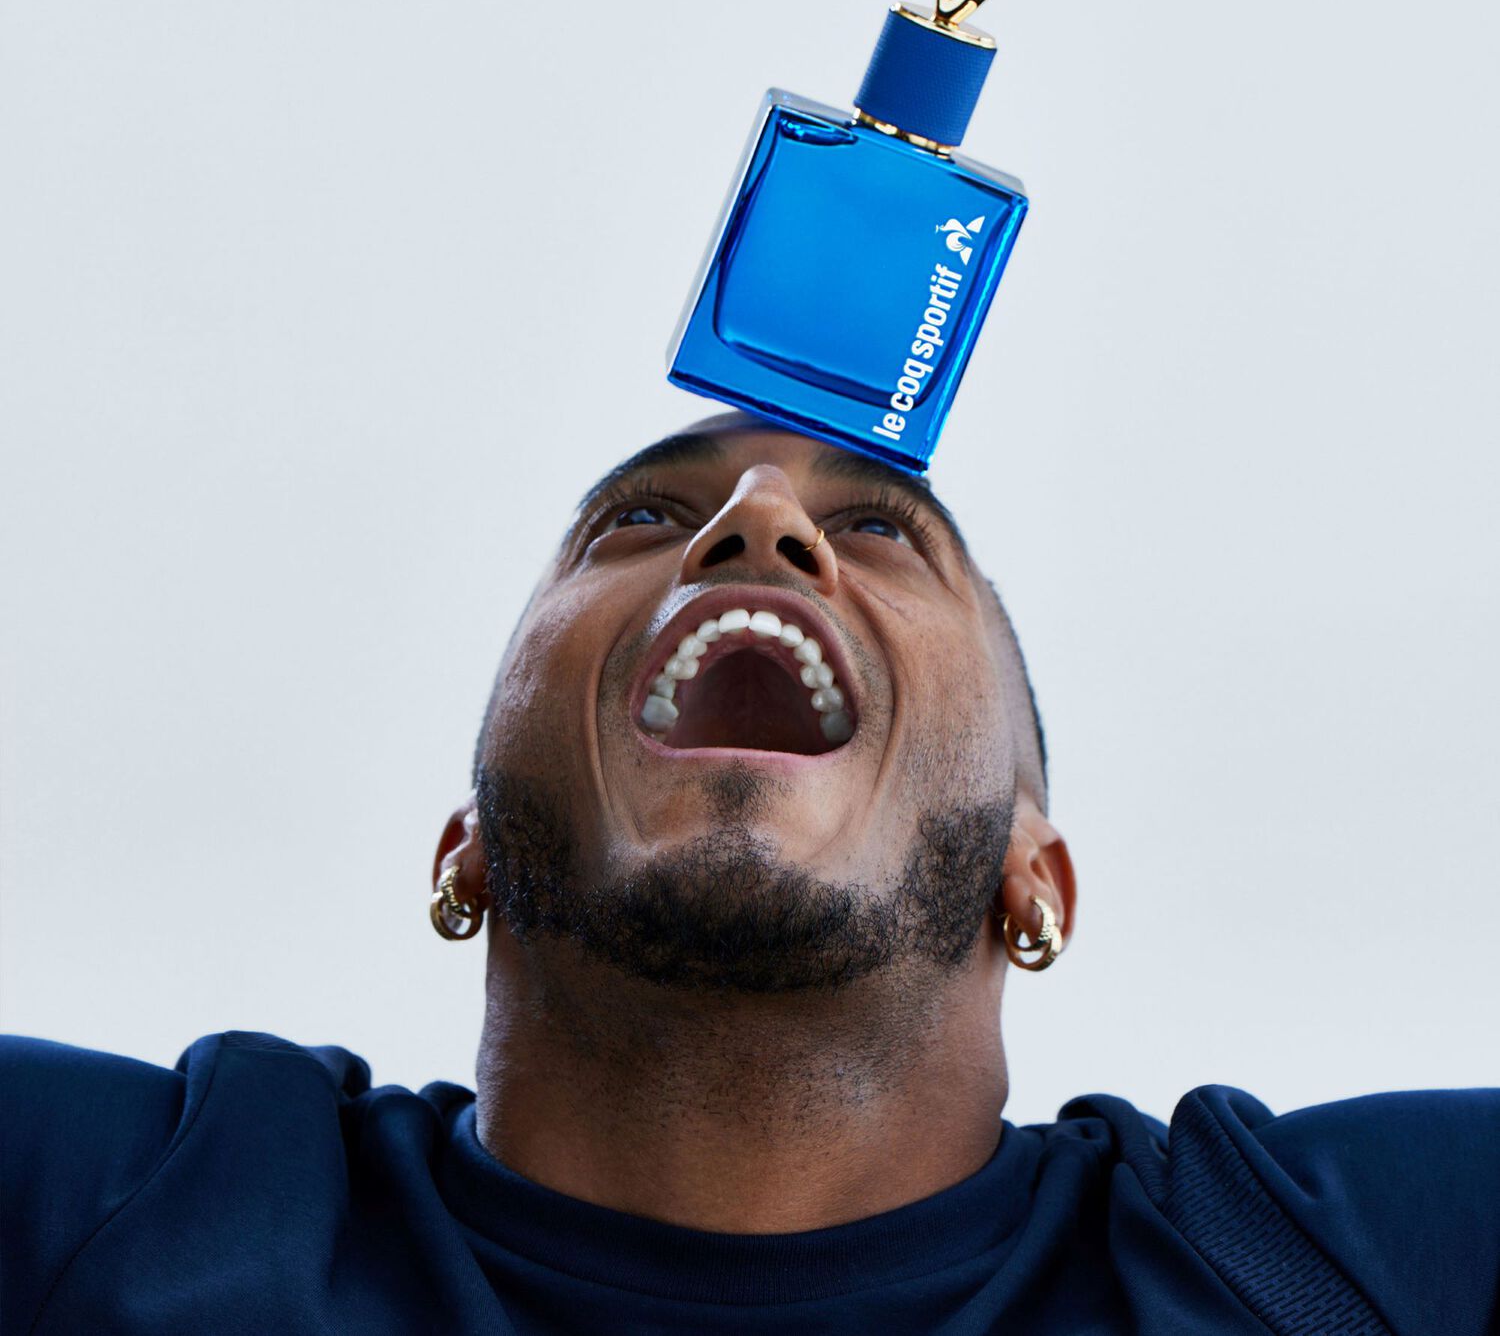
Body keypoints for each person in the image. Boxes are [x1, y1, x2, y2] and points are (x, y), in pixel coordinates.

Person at [3, 413, 1496, 1335]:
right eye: (641, 521)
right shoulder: (131, 1206)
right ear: (467, 848)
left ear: (1035, 879)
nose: (760, 520)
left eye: (879, 530)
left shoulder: (1327, 1264)